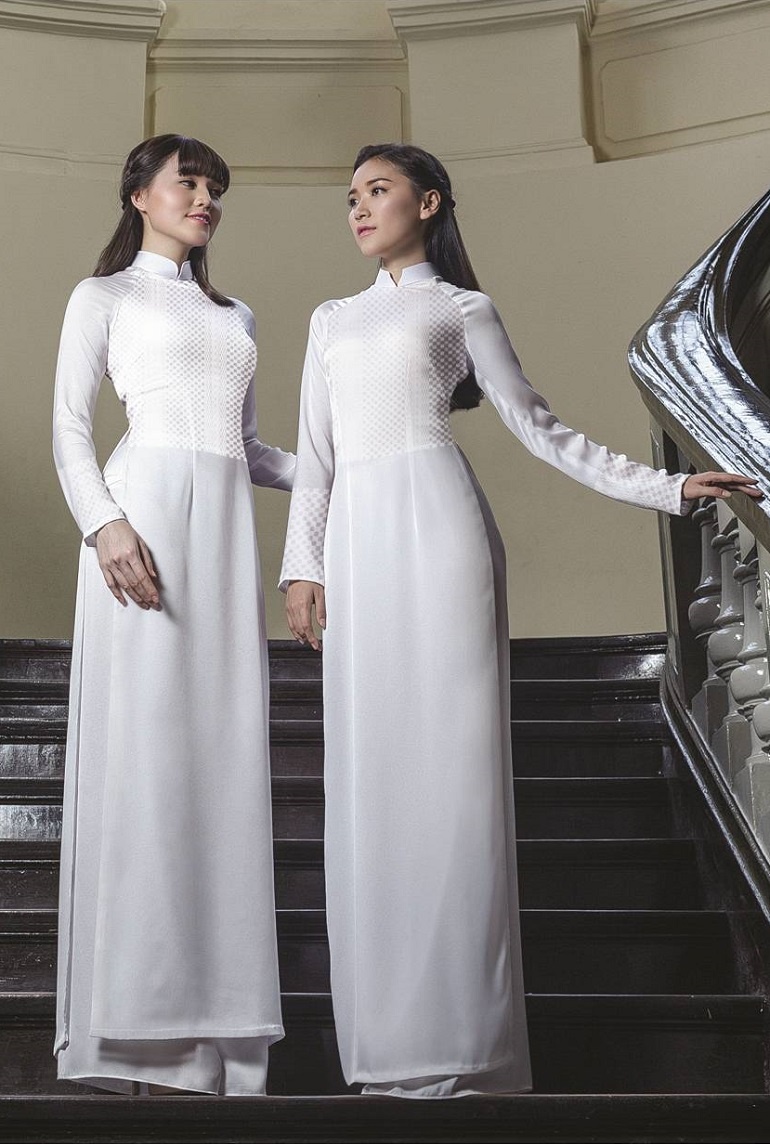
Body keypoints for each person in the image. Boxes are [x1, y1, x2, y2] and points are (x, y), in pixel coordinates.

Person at [280, 142, 760, 1099]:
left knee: (453, 782)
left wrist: (665, 485)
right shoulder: (331, 319)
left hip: (444, 538)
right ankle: (388, 1044)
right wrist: (303, 565)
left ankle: (463, 1041)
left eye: (378, 190)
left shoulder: (464, 310)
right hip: (360, 547)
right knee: (370, 777)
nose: (360, 208)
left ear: (429, 202)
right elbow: (316, 458)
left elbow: (541, 428)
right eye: (351, 196)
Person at [53, 133, 295, 1095]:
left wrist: (348, 470)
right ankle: (139, 1025)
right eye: (187, 183)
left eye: (214, 188)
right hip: (140, 525)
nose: (205, 199)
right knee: (147, 756)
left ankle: (221, 1032)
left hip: (222, 540)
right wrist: (105, 524)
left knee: (221, 758)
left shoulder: (235, 314)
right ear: (140, 196)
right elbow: (70, 426)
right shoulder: (102, 296)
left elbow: (248, 448)